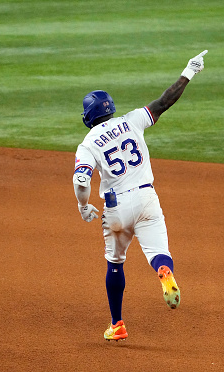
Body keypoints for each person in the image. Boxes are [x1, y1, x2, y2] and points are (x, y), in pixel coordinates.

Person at [72, 50, 208, 341]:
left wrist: (83, 205)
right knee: (159, 252)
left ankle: (118, 324)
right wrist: (189, 71)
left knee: (115, 263)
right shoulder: (132, 120)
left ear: (89, 116)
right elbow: (164, 102)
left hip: (116, 208)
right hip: (148, 199)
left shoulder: (87, 144)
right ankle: (164, 271)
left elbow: (81, 180)